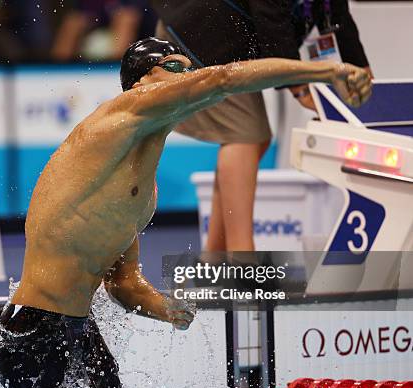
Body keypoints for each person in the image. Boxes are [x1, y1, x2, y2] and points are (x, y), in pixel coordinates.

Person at [0, 37, 371, 388]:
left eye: (190, 68)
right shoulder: (121, 112)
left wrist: (171, 310)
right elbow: (223, 78)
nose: (189, 76)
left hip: (79, 330)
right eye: (175, 68)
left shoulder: (143, 191)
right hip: (30, 330)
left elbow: (122, 283)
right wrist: (330, 71)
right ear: (141, 82)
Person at [152, 0, 371, 252]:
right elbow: (273, 22)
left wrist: (361, 69)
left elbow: (337, 16)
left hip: (225, 38)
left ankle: (214, 259)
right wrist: (300, 90)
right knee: (247, 137)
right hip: (202, 36)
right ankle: (242, 258)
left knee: (252, 138)